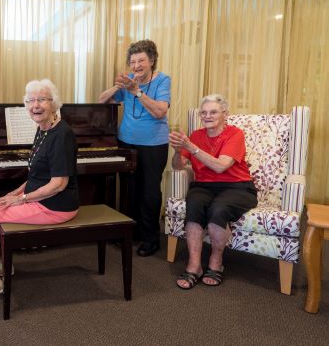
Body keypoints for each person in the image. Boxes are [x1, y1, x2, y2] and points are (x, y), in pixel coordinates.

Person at [0, 79, 79, 297]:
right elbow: (38, 176)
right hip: (43, 199)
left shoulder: (62, 134)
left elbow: (58, 184)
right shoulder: (43, 129)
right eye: (31, 101)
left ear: (54, 104)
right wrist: (16, 192)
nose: (35, 105)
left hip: (55, 205)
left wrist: (23, 199)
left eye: (42, 100)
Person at [169, 94, 257, 289]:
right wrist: (177, 151)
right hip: (204, 186)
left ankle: (216, 262)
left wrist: (191, 148)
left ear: (225, 114)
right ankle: (194, 266)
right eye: (204, 112)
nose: (208, 116)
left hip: (237, 186)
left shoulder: (235, 134)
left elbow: (220, 167)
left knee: (218, 209)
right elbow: (177, 167)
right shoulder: (196, 136)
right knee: (194, 205)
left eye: (214, 112)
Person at [98, 39, 170, 257]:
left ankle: (150, 238)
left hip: (154, 144)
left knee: (149, 192)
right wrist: (120, 86)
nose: (137, 66)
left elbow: (160, 111)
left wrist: (137, 91)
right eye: (133, 62)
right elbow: (102, 100)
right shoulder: (129, 80)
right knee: (130, 189)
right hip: (126, 142)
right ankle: (132, 233)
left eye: (141, 61)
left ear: (152, 61)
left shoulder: (162, 80)